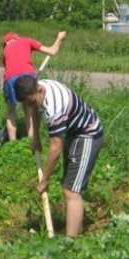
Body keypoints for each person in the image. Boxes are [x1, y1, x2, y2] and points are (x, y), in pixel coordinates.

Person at [15, 76, 104, 238]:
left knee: (71, 191)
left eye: (31, 102)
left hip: (88, 135)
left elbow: (55, 149)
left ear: (40, 91)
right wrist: (36, 139)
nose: (29, 106)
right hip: (73, 132)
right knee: (70, 184)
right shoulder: (37, 90)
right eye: (25, 103)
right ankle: (73, 229)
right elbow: (34, 110)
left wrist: (44, 181)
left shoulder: (55, 107)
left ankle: (70, 243)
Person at [2, 30, 67, 141]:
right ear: (17, 37)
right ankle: (31, 142)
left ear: (7, 42)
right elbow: (52, 51)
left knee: (11, 111)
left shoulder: (5, 50)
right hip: (28, 76)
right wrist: (59, 38)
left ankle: (12, 143)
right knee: (29, 108)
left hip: (10, 78)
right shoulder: (27, 40)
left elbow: (9, 69)